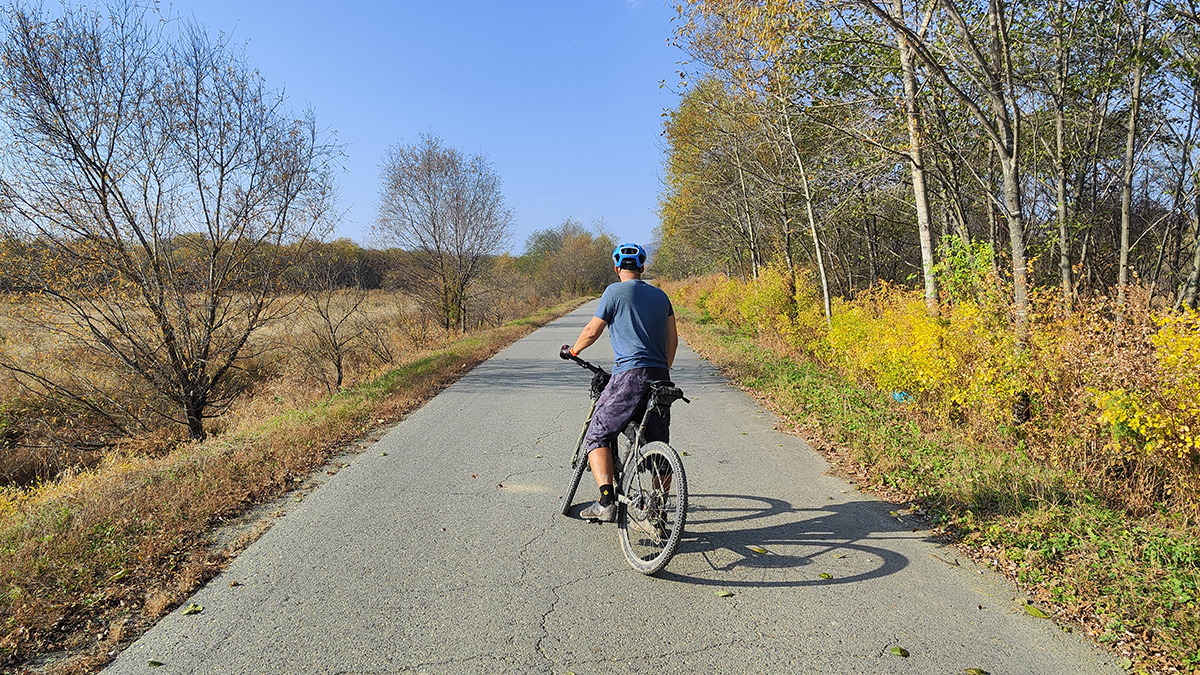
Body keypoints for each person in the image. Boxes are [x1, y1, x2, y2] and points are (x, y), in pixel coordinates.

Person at [559, 242, 678, 522]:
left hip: (629, 376)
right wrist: (663, 369)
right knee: (658, 445)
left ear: (616, 268)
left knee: (598, 433)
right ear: (643, 268)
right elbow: (672, 340)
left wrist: (573, 351)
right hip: (660, 377)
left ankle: (605, 502)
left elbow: (591, 331)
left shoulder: (614, 291)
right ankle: (657, 512)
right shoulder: (661, 297)